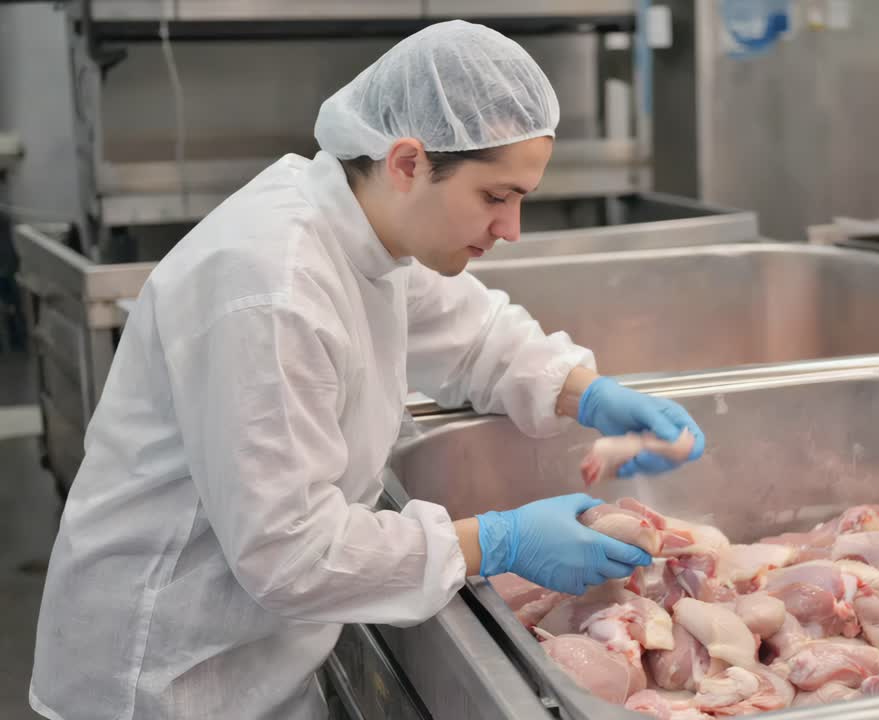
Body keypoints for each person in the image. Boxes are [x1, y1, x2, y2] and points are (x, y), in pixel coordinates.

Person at [30, 21, 705, 720]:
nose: (512, 229)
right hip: (163, 679)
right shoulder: (272, 287)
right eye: (495, 197)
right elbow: (289, 553)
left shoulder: (367, 230)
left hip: (258, 658)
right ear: (408, 161)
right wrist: (500, 541)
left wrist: (584, 392)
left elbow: (471, 335)